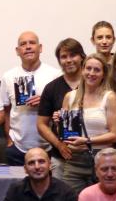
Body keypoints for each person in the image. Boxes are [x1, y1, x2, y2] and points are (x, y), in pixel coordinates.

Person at [60, 53, 116, 197]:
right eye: (88, 69)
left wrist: (87, 141)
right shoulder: (70, 97)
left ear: (103, 74)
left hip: (102, 160)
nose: (91, 73)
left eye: (97, 70)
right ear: (82, 70)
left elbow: (115, 135)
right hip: (74, 161)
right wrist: (59, 124)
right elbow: (64, 133)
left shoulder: (110, 97)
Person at [0, 31, 61, 166]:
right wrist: (9, 140)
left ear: (40, 48)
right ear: (17, 51)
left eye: (32, 43)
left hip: (48, 146)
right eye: (23, 44)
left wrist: (46, 102)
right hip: (17, 146)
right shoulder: (8, 76)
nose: (28, 47)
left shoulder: (55, 75)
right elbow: (6, 110)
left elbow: (62, 110)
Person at [37, 38, 86, 179]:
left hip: (91, 156)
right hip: (61, 158)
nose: (69, 60)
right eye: (64, 57)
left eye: (73, 55)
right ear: (59, 61)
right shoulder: (52, 88)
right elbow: (41, 124)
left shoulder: (93, 83)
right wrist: (58, 145)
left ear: (82, 57)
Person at [2, 148, 77, 201]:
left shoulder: (67, 193)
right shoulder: (15, 191)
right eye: (31, 163)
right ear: (25, 169)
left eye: (41, 161)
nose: (37, 167)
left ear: (50, 165)